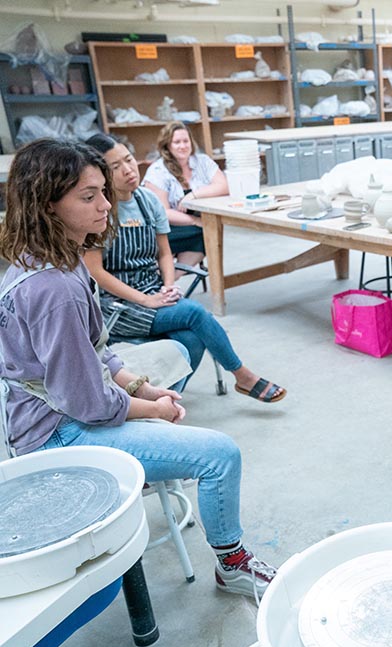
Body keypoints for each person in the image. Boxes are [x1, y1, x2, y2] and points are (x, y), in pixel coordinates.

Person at [0, 139, 277, 601]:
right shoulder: (53, 289)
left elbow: (96, 351)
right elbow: (87, 403)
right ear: (45, 205)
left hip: (58, 412)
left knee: (183, 345)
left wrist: (141, 386)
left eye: (103, 191)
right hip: (55, 433)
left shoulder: (54, 258)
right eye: (88, 197)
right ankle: (233, 568)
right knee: (219, 454)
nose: (106, 205)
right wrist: (153, 411)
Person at [83, 133, 286, 403]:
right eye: (115, 167)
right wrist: (146, 299)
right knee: (194, 313)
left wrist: (168, 286)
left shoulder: (147, 200)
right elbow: (95, 271)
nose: (128, 170)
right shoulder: (103, 211)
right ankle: (243, 377)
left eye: (129, 160)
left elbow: (165, 253)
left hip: (153, 291)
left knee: (190, 339)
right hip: (118, 306)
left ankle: (162, 402)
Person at [142, 121, 228, 268]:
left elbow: (224, 186)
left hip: (195, 225)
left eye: (185, 141)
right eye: (176, 142)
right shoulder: (158, 171)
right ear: (167, 146)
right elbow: (163, 212)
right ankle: (167, 275)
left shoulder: (202, 161)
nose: (183, 146)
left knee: (209, 232)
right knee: (206, 232)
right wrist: (194, 220)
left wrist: (193, 195)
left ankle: (172, 277)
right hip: (164, 228)